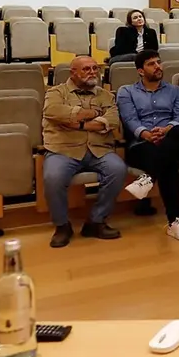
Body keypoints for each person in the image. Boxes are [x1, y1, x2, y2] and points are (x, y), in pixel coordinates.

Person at [41, 56, 127, 248]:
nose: (92, 72)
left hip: (99, 148)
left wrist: (77, 123)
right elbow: (53, 112)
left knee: (117, 169)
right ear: (73, 73)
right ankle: (62, 226)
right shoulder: (56, 92)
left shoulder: (106, 95)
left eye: (95, 68)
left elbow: (112, 120)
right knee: (52, 177)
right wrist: (93, 114)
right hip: (63, 149)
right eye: (86, 69)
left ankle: (96, 221)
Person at [116, 50, 179, 242]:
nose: (158, 66)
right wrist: (146, 134)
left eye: (158, 62)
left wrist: (166, 130)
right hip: (142, 145)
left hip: (173, 140)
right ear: (140, 71)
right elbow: (130, 119)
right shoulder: (126, 92)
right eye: (151, 64)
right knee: (169, 164)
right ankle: (175, 221)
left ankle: (148, 179)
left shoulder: (176, 91)